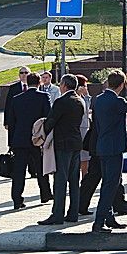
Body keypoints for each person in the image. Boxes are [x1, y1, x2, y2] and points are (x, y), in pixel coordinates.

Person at [91, 70, 127, 233]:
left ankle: (109, 218)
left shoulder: (98, 100)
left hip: (102, 146)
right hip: (114, 148)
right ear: (121, 85)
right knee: (110, 186)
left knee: (109, 182)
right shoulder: (117, 101)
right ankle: (98, 222)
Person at [39, 74, 85, 225]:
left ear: (64, 85)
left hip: (62, 144)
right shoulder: (80, 101)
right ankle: (73, 213)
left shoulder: (61, 101)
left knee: (60, 181)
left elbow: (50, 122)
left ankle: (57, 214)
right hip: (76, 144)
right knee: (74, 181)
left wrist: (42, 129)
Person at [6, 73, 52, 209]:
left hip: (19, 140)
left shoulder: (16, 99)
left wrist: (12, 142)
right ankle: (45, 194)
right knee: (41, 168)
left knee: (19, 171)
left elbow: (11, 122)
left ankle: (17, 199)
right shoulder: (43, 97)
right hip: (37, 140)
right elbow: (47, 118)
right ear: (39, 83)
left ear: (27, 82)